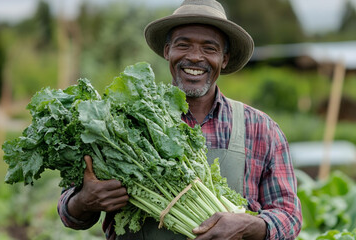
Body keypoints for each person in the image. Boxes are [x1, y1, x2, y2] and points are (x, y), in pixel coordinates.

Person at [57, 0, 302, 239]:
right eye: (183, 45)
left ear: (224, 59)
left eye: (209, 48)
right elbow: (70, 214)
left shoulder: (260, 129)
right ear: (167, 51)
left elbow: (290, 217)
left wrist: (250, 225)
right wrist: (83, 201)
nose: (195, 57)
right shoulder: (123, 121)